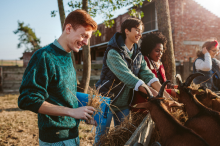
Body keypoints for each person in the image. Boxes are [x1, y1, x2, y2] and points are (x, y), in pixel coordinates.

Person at [18, 9, 98, 146]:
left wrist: (83, 113)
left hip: (72, 135)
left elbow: (63, 95)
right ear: (68, 28)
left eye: (88, 38)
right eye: (83, 35)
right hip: (55, 140)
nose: (85, 42)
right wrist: (72, 112)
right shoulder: (44, 56)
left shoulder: (67, 56)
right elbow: (27, 99)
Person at [94, 18, 180, 144]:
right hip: (106, 101)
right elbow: (129, 78)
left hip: (123, 104)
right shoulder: (113, 53)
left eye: (141, 31)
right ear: (127, 31)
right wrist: (158, 97)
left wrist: (168, 98)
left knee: (123, 137)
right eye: (137, 30)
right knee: (101, 138)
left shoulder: (138, 54)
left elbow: (148, 75)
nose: (140, 34)